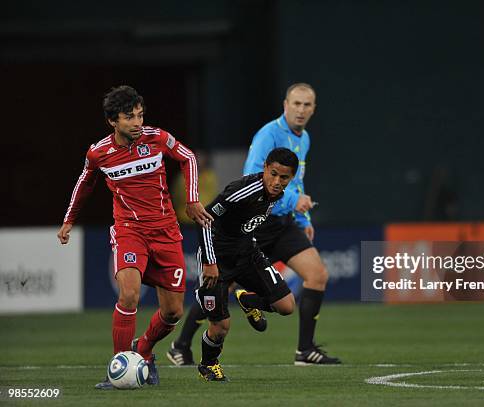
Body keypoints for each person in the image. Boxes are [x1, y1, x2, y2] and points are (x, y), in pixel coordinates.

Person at [167, 82, 340, 366]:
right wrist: (293, 201)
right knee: (220, 283)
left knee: (318, 274)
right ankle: (180, 345)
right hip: (256, 224)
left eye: (306, 105)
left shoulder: (304, 138)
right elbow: (253, 179)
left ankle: (305, 350)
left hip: (284, 223)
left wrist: (301, 216)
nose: (301, 110)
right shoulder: (268, 135)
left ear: (314, 109)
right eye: (296, 103)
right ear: (285, 105)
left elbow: (296, 183)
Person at [57, 85, 213, 389]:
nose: (138, 122)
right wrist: (68, 221)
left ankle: (143, 351)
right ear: (113, 121)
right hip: (130, 230)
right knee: (128, 295)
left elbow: (189, 158)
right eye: (130, 117)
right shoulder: (99, 152)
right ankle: (119, 366)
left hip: (167, 231)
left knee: (172, 312)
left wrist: (192, 198)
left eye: (140, 115)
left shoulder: (156, 138)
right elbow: (84, 183)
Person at [194, 147, 298, 381]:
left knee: (287, 305)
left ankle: (248, 300)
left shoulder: (277, 194)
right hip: (218, 259)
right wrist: (210, 262)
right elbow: (204, 219)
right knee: (221, 326)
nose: (277, 181)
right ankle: (208, 365)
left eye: (284, 177)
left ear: (291, 178)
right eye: (273, 174)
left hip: (247, 254)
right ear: (264, 169)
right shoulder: (241, 190)